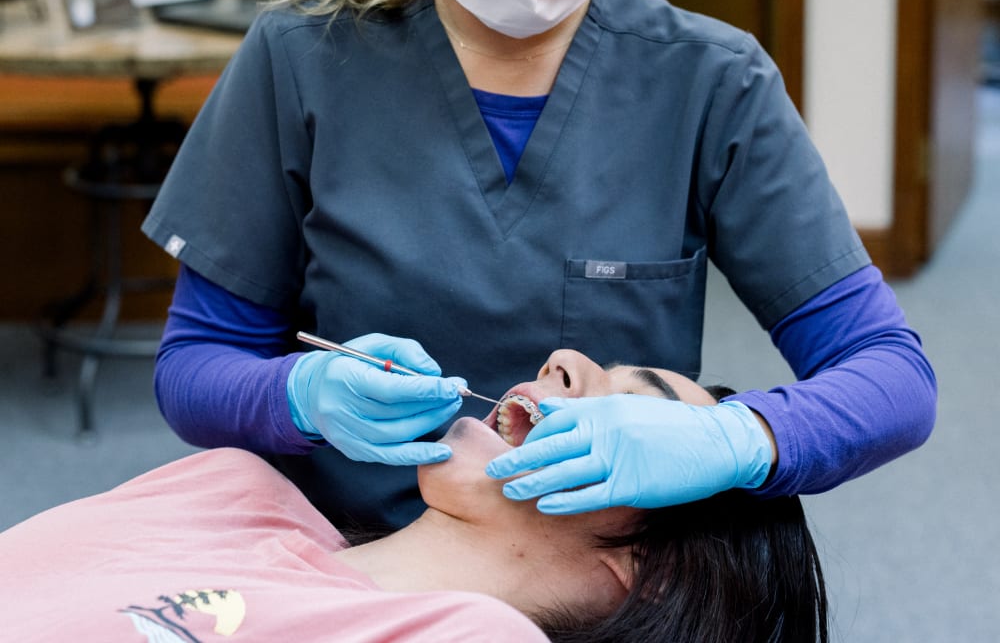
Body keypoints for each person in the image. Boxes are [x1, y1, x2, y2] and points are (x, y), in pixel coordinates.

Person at [141, 0, 936, 531]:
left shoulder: (709, 82)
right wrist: (300, 394)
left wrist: (736, 436)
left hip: (595, 574)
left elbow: (893, 379)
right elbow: (195, 367)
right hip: (359, 557)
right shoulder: (302, 60)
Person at [0, 352, 828, 642]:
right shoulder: (231, 486)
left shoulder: (476, 636)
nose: (567, 359)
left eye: (627, 404)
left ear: (647, 573)